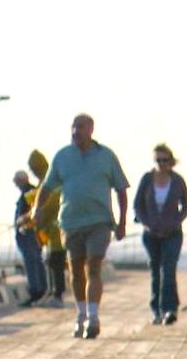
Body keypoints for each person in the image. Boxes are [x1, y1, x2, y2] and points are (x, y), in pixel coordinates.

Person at [36, 113, 129, 339]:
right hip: (70, 221)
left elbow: (121, 189)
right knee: (76, 271)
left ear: (91, 129)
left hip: (99, 221)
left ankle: (93, 317)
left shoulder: (106, 156)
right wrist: (37, 208)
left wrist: (122, 221)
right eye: (73, 127)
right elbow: (47, 187)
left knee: (93, 266)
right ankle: (81, 315)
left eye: (81, 127)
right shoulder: (63, 156)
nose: (76, 132)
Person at [133, 143, 187, 325]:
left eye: (165, 160)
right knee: (155, 271)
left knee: (169, 269)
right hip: (151, 234)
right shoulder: (147, 179)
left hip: (172, 233)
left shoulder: (178, 181)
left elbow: (186, 205)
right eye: (158, 160)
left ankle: (169, 309)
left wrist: (175, 222)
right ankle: (156, 309)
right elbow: (138, 204)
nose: (161, 164)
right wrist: (147, 223)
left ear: (171, 161)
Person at [28, 150, 66, 305]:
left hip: (57, 231)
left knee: (56, 263)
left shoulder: (51, 182)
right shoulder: (45, 182)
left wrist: (31, 218)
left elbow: (49, 205)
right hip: (48, 233)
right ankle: (51, 293)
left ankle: (57, 295)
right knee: (50, 262)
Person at [12, 169, 48, 305]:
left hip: (28, 233)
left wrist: (22, 221)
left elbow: (33, 213)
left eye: (16, 181)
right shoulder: (29, 192)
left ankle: (36, 291)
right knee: (36, 261)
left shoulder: (30, 193)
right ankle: (40, 290)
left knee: (32, 262)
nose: (15, 184)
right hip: (29, 233)